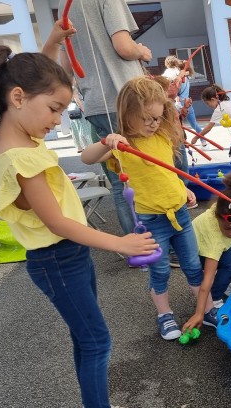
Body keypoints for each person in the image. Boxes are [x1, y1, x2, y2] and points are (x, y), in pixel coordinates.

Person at [0, 42, 157, 408]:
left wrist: (52, 39)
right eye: (54, 109)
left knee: (85, 336)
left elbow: (33, 78)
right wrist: (121, 244)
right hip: (58, 257)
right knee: (96, 337)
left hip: (63, 257)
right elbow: (58, 223)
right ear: (17, 97)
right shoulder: (22, 157)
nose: (57, 120)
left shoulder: (4, 134)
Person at [81, 77, 211, 340]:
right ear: (128, 114)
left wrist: (181, 188)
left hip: (180, 215)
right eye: (147, 118)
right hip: (152, 222)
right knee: (160, 269)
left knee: (192, 265)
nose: (153, 124)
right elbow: (87, 157)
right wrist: (107, 141)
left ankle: (206, 309)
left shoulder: (162, 137)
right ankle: (165, 314)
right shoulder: (123, 145)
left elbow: (165, 172)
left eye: (157, 117)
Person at [58, 0, 153, 237]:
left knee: (120, 179)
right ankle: (151, 245)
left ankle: (135, 248)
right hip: (125, 98)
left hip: (95, 102)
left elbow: (66, 64)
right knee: (144, 174)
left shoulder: (64, 5)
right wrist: (141, 50)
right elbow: (124, 47)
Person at [182, 171, 231, 333]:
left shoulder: (228, 204)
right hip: (197, 253)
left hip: (215, 247)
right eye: (229, 225)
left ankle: (224, 281)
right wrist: (199, 313)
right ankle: (214, 300)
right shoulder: (214, 238)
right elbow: (206, 281)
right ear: (219, 217)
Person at [175, 59, 207, 149]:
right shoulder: (187, 78)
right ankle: (203, 141)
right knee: (194, 124)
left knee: (178, 124)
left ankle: (201, 141)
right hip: (188, 102)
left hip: (181, 103)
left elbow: (177, 93)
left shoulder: (181, 80)